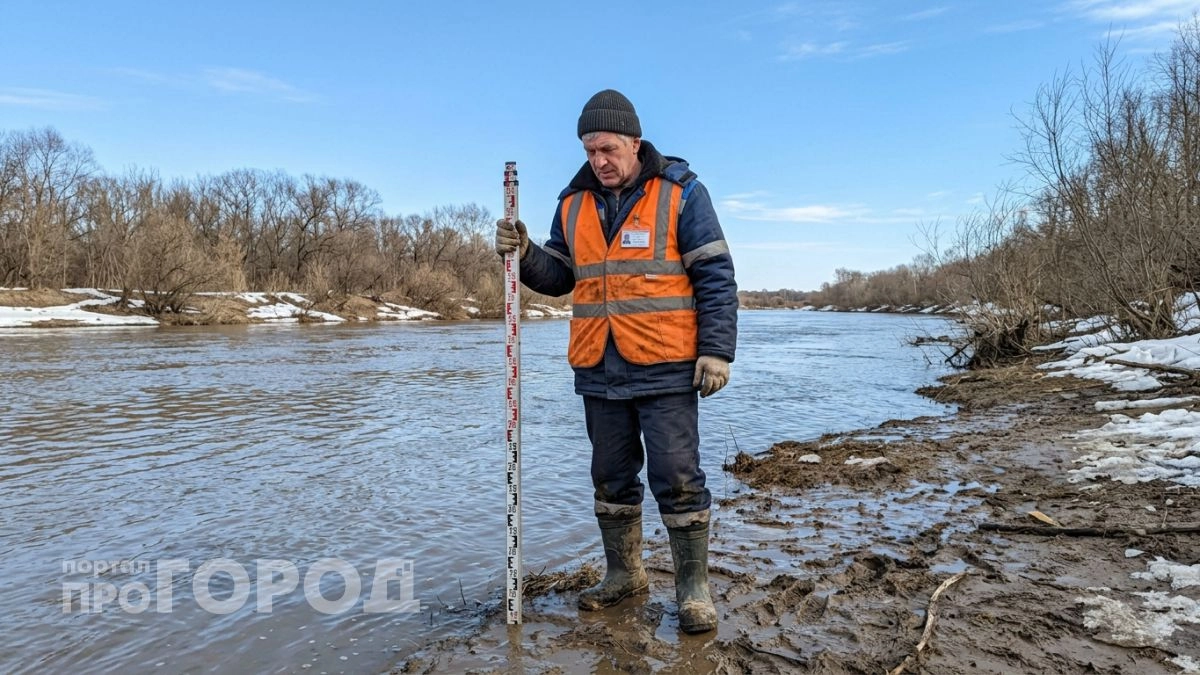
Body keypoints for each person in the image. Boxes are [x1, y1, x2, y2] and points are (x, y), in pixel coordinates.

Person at [494, 89, 737, 634]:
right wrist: (525, 253)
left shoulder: (682, 193)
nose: (599, 160)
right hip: (599, 367)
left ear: (634, 142)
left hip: (667, 363)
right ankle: (625, 574)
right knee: (610, 477)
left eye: (607, 148)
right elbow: (560, 276)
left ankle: (693, 590)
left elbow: (716, 276)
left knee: (677, 478)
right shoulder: (572, 202)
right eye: (589, 151)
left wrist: (717, 350)